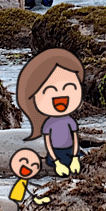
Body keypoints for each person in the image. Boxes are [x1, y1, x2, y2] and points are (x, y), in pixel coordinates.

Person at [16, 49, 84, 178]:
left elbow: (75, 138)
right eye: (49, 90)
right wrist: (57, 162)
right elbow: (47, 143)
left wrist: (75, 157)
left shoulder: (68, 121)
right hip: (56, 154)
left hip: (69, 151)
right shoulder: (49, 123)